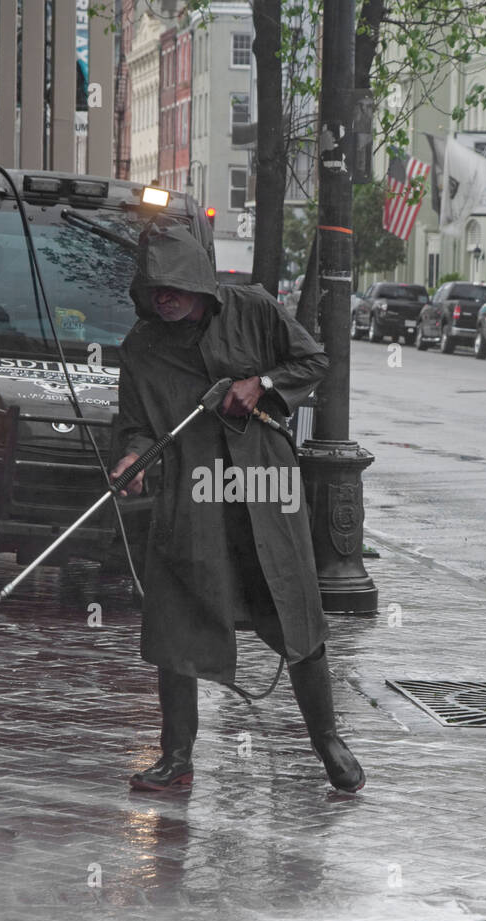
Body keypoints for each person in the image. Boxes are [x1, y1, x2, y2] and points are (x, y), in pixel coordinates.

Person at [109, 222, 365, 794]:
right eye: (154, 289)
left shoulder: (254, 309)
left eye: (174, 285)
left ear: (200, 282)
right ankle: (176, 754)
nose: (164, 297)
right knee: (175, 616)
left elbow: (314, 361)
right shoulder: (141, 348)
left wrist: (262, 382)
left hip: (264, 490)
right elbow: (133, 425)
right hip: (191, 497)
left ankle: (326, 738)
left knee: (292, 605)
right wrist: (131, 458)